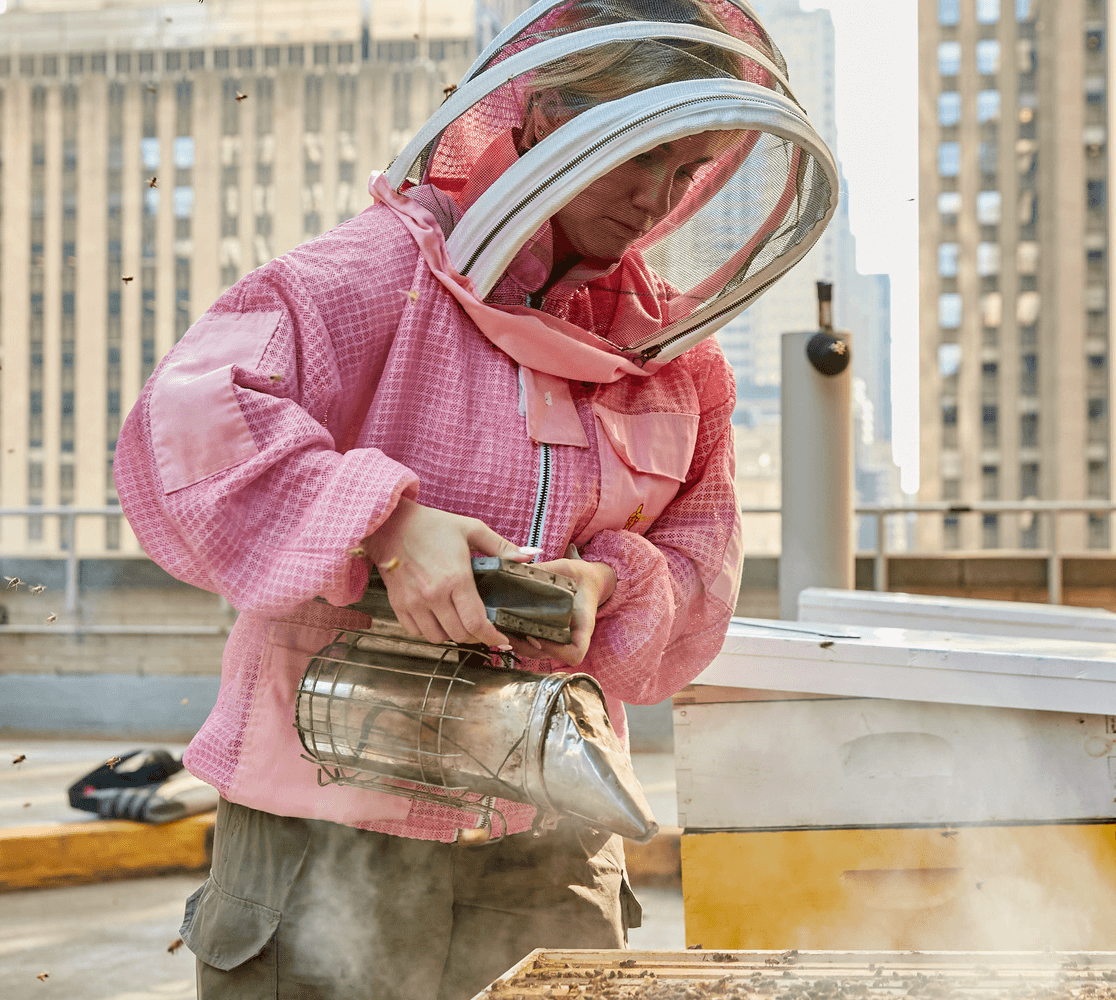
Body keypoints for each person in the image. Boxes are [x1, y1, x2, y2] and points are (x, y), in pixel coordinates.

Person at [113, 2, 829, 997]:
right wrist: (390, 524)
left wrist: (611, 584)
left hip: (553, 836)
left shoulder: (679, 365)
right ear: (542, 118)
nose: (654, 200)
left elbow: (703, 572)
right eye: (638, 157)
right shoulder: (378, 274)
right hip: (325, 820)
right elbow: (185, 428)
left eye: (684, 171)